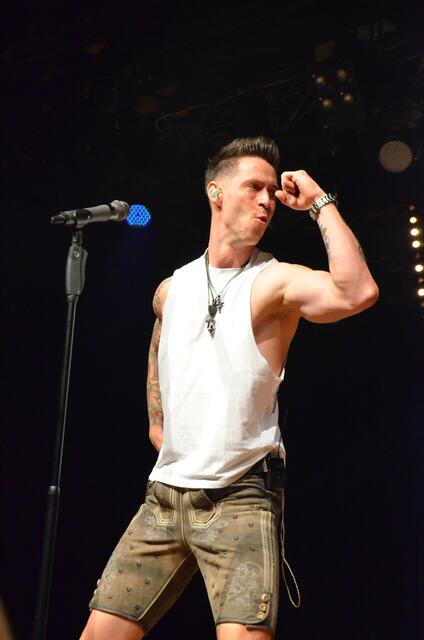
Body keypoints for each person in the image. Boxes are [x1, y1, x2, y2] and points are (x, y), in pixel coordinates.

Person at [80, 136, 378, 640]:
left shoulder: (274, 281)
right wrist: (157, 423)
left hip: (240, 496)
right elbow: (157, 352)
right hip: (165, 497)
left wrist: (320, 203)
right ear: (216, 193)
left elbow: (357, 292)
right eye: (253, 187)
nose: (267, 201)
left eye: (270, 191)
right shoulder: (171, 289)